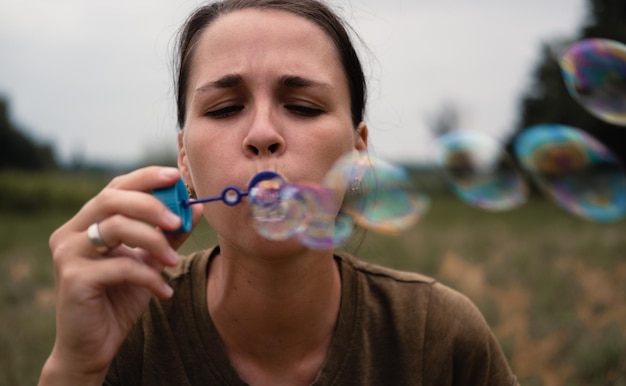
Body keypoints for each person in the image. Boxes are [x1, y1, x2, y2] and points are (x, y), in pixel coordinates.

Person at [39, 0, 519, 384]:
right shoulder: (130, 329)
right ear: (185, 160)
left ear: (357, 155)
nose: (262, 132)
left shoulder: (439, 337)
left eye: (304, 106)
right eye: (226, 108)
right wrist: (76, 369)